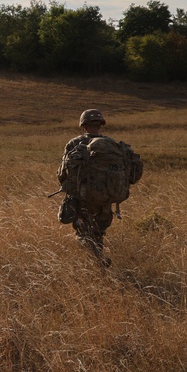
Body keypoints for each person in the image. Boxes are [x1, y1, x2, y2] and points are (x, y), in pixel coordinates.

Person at [56, 108, 142, 266]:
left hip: (83, 198)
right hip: (107, 199)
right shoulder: (112, 144)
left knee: (84, 233)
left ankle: (98, 261)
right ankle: (98, 261)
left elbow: (63, 173)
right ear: (100, 125)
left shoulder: (75, 143)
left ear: (83, 125)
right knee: (98, 232)